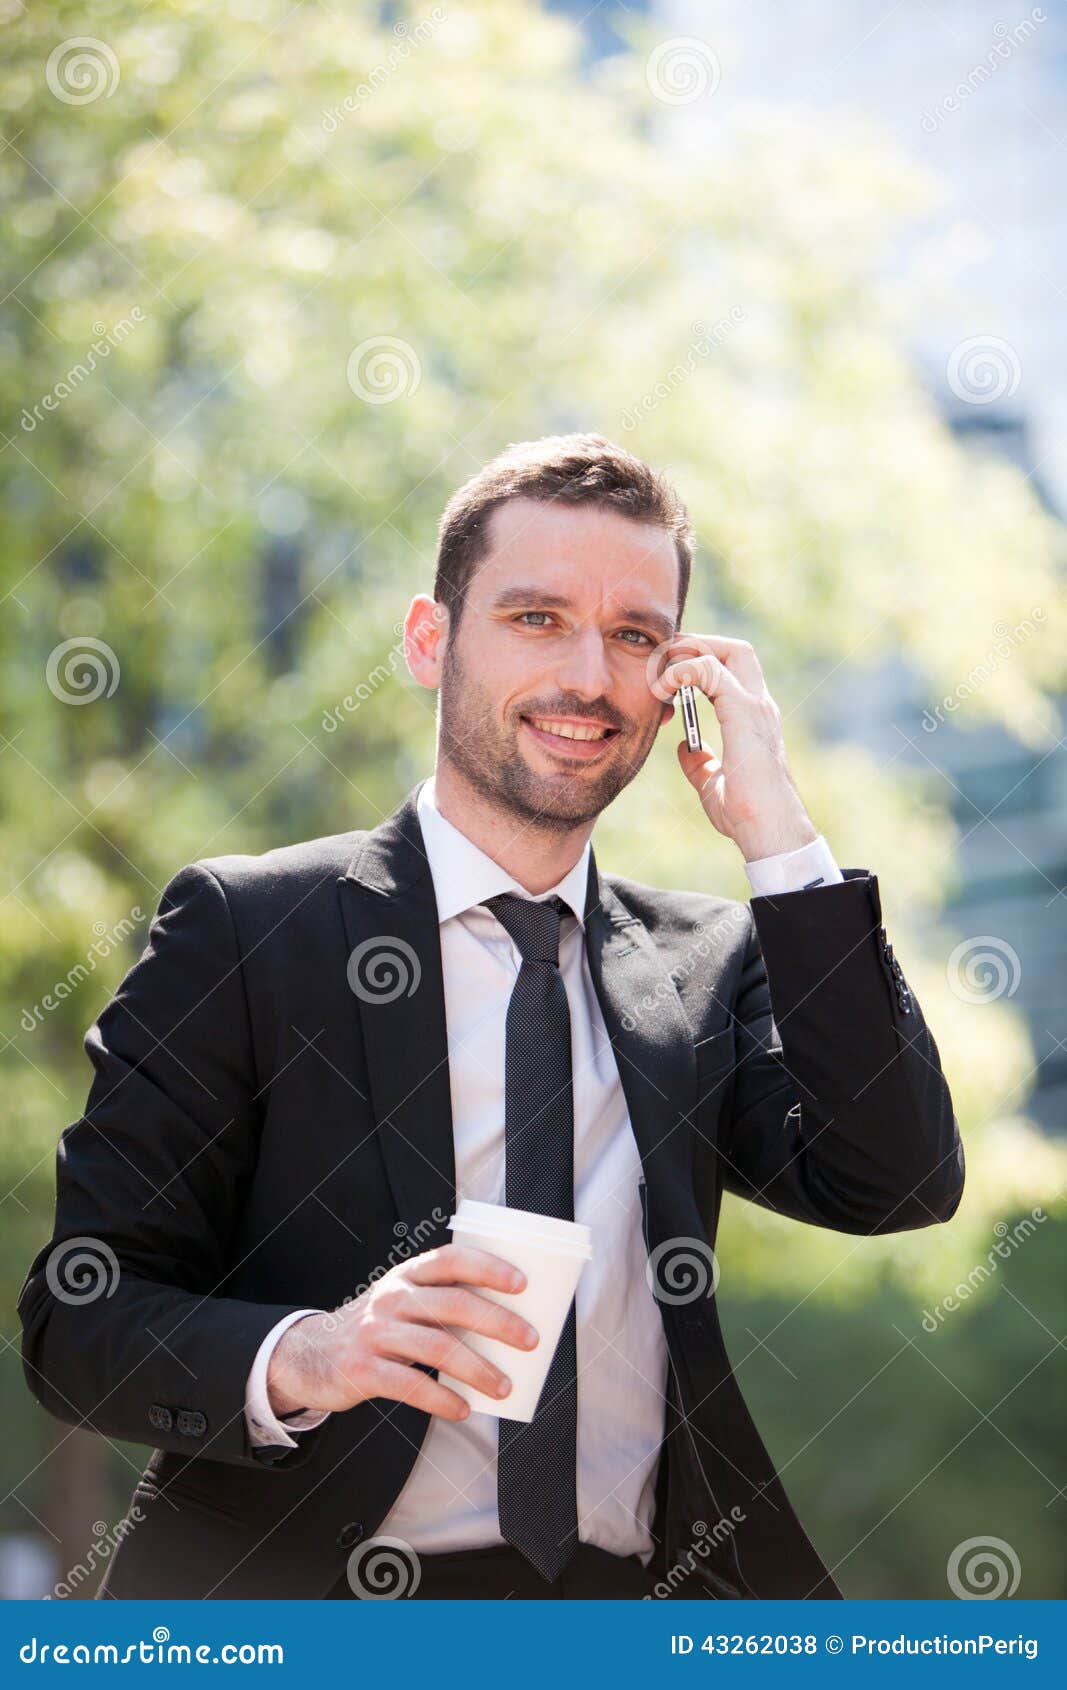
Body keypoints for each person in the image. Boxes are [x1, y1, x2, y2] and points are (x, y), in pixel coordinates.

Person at [18, 433, 964, 1600]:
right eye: (534, 618)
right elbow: (81, 1319)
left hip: (629, 1615)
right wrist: (314, 1353)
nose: (588, 675)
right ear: (431, 641)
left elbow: (898, 1178)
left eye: (634, 636)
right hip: (312, 1615)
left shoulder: (704, 962)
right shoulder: (249, 931)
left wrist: (782, 843)